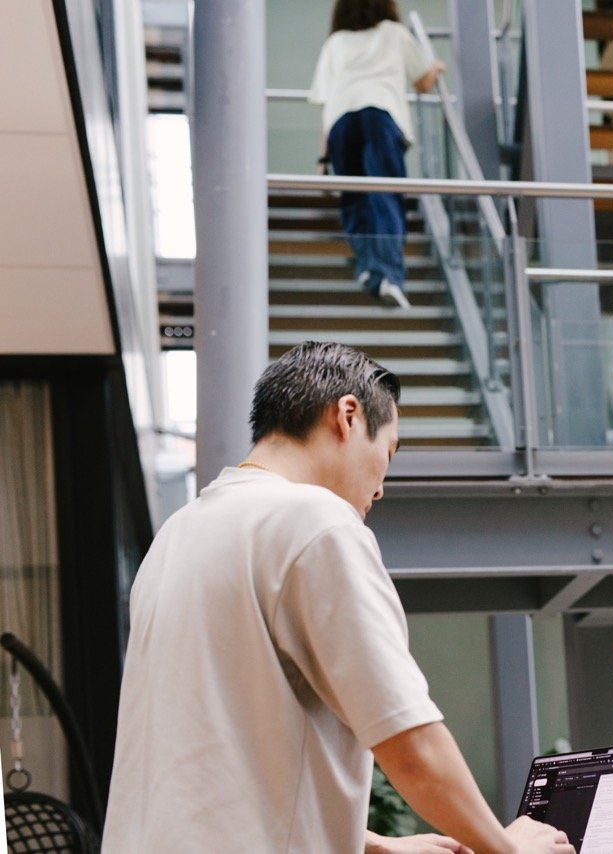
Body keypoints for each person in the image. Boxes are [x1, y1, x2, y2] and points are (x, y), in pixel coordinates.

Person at [101, 343, 572, 854]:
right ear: (347, 416)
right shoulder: (316, 522)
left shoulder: (178, 535)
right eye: (387, 452)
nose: (382, 487)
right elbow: (409, 744)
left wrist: (376, 846)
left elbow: (213, 766)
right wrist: (509, 850)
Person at [309, 0, 445, 310]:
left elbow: (327, 104)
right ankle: (389, 276)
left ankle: (370, 268)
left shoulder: (335, 43)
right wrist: (436, 67)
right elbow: (423, 81)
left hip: (341, 121)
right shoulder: (393, 33)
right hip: (380, 113)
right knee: (384, 194)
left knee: (355, 198)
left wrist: (322, 160)